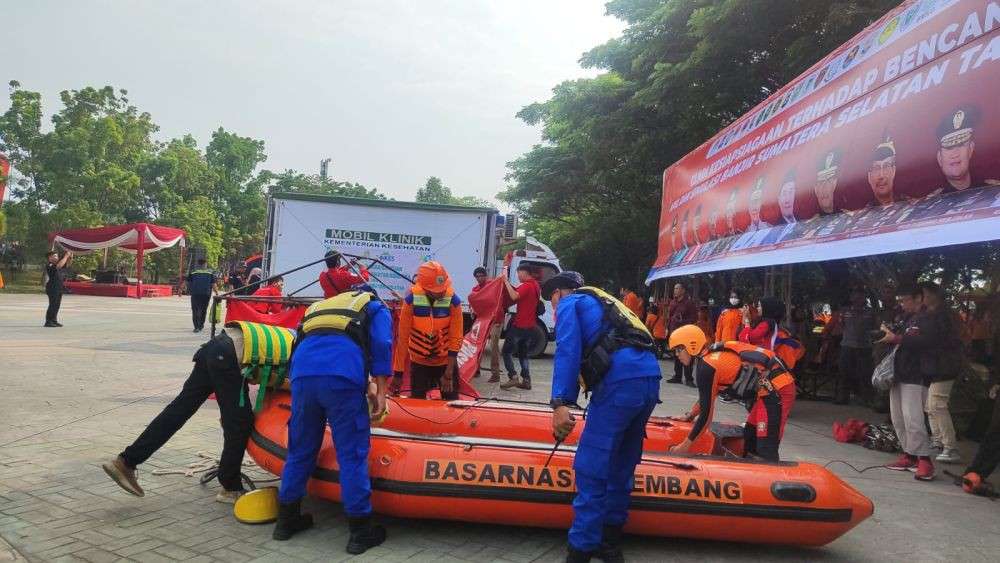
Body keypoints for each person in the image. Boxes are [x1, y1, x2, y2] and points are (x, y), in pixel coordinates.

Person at [542, 271, 661, 562]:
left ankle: (581, 550)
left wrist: (560, 402)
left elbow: (568, 350)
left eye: (552, 301)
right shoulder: (607, 303)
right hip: (649, 379)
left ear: (561, 292)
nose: (554, 308)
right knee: (623, 462)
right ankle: (610, 544)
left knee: (592, 467)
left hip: (620, 385)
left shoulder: (571, 303)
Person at [101, 322, 287, 502]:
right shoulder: (307, 352)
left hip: (215, 348)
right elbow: (290, 382)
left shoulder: (301, 339)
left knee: (179, 410)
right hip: (230, 355)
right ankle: (230, 487)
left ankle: (126, 461)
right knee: (240, 422)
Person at [271, 285, 392, 554]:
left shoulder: (320, 308)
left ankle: (286, 521)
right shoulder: (374, 306)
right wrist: (381, 392)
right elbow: (382, 344)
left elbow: (299, 341)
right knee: (351, 452)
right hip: (342, 376)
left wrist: (366, 384)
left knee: (300, 449)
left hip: (302, 376)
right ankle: (361, 531)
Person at [667, 325, 796, 461]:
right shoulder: (709, 358)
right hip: (767, 391)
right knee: (750, 435)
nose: (677, 355)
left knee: (766, 446)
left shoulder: (707, 366)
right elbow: (708, 397)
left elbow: (706, 417)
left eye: (679, 349)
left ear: (691, 346)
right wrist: (690, 415)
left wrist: (684, 446)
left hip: (779, 389)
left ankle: (768, 472)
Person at [877, 285, 936, 481]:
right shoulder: (906, 319)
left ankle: (924, 459)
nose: (902, 304)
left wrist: (897, 338)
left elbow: (928, 343)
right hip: (899, 372)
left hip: (916, 373)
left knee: (913, 418)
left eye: (905, 300)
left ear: (919, 298)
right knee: (898, 417)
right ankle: (909, 454)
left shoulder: (929, 318)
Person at [393, 261, 463, 399]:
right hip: (419, 363)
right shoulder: (410, 302)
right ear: (425, 288)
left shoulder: (453, 301)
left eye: (444, 287)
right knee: (417, 402)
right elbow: (402, 339)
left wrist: (449, 373)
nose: (442, 291)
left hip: (445, 363)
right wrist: (398, 374)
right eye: (438, 290)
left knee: (452, 402)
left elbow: (456, 337)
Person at [918, 282, 962, 464]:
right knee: (930, 406)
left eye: (926, 295)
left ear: (934, 295)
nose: (924, 299)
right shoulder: (932, 314)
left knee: (937, 405)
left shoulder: (943, 316)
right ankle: (938, 441)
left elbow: (938, 339)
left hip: (945, 365)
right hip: (934, 365)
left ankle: (950, 447)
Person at [934, 106, 999, 193]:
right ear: (939, 158)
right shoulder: (930, 202)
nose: (955, 154)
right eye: (949, 148)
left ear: (970, 149)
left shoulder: (994, 191)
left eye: (961, 145)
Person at [500, 264, 542, 390]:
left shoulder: (527, 285)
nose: (518, 276)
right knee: (523, 354)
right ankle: (526, 380)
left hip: (520, 325)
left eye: (519, 273)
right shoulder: (536, 285)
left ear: (525, 272)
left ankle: (513, 377)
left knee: (506, 352)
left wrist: (506, 282)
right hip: (530, 326)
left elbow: (514, 296)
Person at [834, 288, 877, 405]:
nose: (858, 299)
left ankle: (867, 398)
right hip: (847, 345)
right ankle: (843, 397)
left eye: (860, 296)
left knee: (865, 373)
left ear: (864, 298)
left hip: (864, 346)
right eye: (855, 296)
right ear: (851, 297)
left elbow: (875, 327)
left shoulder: (870, 312)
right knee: (844, 372)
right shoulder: (845, 311)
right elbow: (840, 326)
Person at [471, 266, 503, 382]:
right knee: (477, 345)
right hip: (483, 320)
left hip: (496, 320)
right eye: (477, 276)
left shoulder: (493, 285)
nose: (479, 278)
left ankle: (495, 374)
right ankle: (475, 369)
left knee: (494, 347)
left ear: (486, 276)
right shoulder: (476, 289)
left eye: (481, 276)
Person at [665, 282, 698, 386]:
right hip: (674, 333)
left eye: (677, 288)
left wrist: (682, 321)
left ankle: (689, 379)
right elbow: (669, 317)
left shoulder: (689, 303)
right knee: (677, 355)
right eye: (674, 288)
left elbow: (694, 319)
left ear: (683, 290)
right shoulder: (673, 302)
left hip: (685, 333)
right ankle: (677, 376)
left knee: (686, 355)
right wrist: (667, 328)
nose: (675, 290)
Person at [185, 258, 217, 333]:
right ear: (205, 264)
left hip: (195, 293)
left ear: (198, 264)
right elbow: (213, 284)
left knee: (195, 310)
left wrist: (180, 290)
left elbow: (187, 281)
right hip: (206, 294)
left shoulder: (193, 271)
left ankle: (196, 327)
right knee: (203, 309)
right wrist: (217, 292)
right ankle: (201, 325)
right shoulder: (210, 272)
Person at [44, 250, 72, 327]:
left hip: (59, 287)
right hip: (52, 288)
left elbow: (67, 264)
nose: (57, 257)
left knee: (57, 305)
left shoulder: (58, 264)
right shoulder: (49, 265)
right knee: (52, 305)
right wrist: (66, 256)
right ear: (50, 258)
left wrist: (69, 257)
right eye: (55, 256)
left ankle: (54, 320)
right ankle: (48, 321)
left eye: (57, 256)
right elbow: (59, 266)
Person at [868, 138, 898, 206]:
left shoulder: (910, 204)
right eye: (876, 168)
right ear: (869, 177)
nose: (881, 175)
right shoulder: (861, 213)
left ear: (893, 171)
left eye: (886, 166)